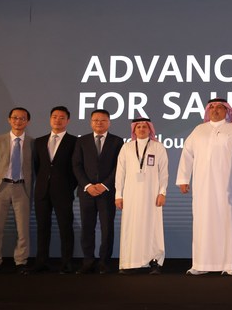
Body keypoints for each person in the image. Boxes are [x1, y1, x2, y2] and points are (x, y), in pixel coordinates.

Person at [176, 98, 232, 275]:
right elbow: (187, 154)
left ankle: (229, 264)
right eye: (212, 107)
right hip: (202, 186)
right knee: (202, 222)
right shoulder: (199, 130)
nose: (215, 110)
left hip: (228, 185)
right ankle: (201, 264)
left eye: (219, 107)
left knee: (228, 221)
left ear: (227, 111)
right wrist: (184, 179)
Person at [72, 109, 123, 274]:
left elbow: (119, 167)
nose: (99, 123)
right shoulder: (82, 141)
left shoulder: (117, 141)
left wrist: (104, 185)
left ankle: (104, 262)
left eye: (103, 120)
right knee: (87, 228)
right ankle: (88, 261)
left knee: (107, 229)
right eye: (95, 120)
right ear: (90, 122)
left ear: (109, 122)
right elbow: (76, 165)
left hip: (107, 193)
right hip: (87, 192)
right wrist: (87, 185)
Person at [115, 118, 168, 274]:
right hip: (130, 195)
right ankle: (129, 262)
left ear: (150, 129)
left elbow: (164, 172)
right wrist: (118, 195)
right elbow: (120, 173)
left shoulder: (158, 147)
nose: (142, 129)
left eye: (145, 126)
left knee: (153, 227)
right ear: (134, 130)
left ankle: (155, 262)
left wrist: (162, 192)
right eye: (138, 127)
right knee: (130, 227)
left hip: (152, 195)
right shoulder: (127, 147)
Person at [0, 107, 34, 274]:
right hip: (1, 188)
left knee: (23, 228)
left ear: (27, 121)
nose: (18, 121)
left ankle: (21, 261)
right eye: (15, 118)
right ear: (9, 120)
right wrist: (1, 179)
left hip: (22, 188)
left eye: (22, 118)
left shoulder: (32, 143)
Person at [32, 106, 77, 274]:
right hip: (42, 191)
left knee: (66, 227)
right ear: (50, 119)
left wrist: (68, 186)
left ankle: (67, 263)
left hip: (64, 191)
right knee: (42, 227)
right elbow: (38, 166)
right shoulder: (39, 141)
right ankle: (41, 261)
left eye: (62, 117)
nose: (58, 120)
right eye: (55, 117)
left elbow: (75, 168)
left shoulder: (74, 142)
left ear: (68, 120)